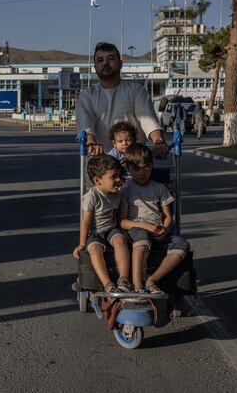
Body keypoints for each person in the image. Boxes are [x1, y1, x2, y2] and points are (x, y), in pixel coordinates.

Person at [76, 42, 169, 158]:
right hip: (100, 165)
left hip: (134, 164)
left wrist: (158, 141)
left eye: (110, 59)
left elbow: (148, 119)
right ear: (95, 68)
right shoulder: (87, 95)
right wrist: (91, 143)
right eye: (100, 60)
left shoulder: (136, 90)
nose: (105, 63)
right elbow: (86, 125)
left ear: (120, 64)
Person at [119, 143, 190, 294]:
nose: (142, 172)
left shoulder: (159, 188)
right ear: (129, 168)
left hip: (158, 231)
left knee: (182, 244)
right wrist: (145, 226)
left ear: (152, 166)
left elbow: (168, 218)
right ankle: (137, 285)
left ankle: (152, 280)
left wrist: (165, 230)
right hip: (137, 230)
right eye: (137, 169)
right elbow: (122, 222)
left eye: (146, 167)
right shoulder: (126, 189)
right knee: (142, 235)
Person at [72, 154, 132, 293]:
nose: (118, 180)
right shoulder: (91, 196)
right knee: (94, 249)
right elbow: (85, 221)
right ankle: (107, 283)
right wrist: (82, 244)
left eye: (119, 176)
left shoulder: (118, 194)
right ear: (98, 181)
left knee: (120, 240)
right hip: (95, 232)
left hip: (111, 229)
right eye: (113, 177)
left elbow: (119, 216)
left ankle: (123, 278)